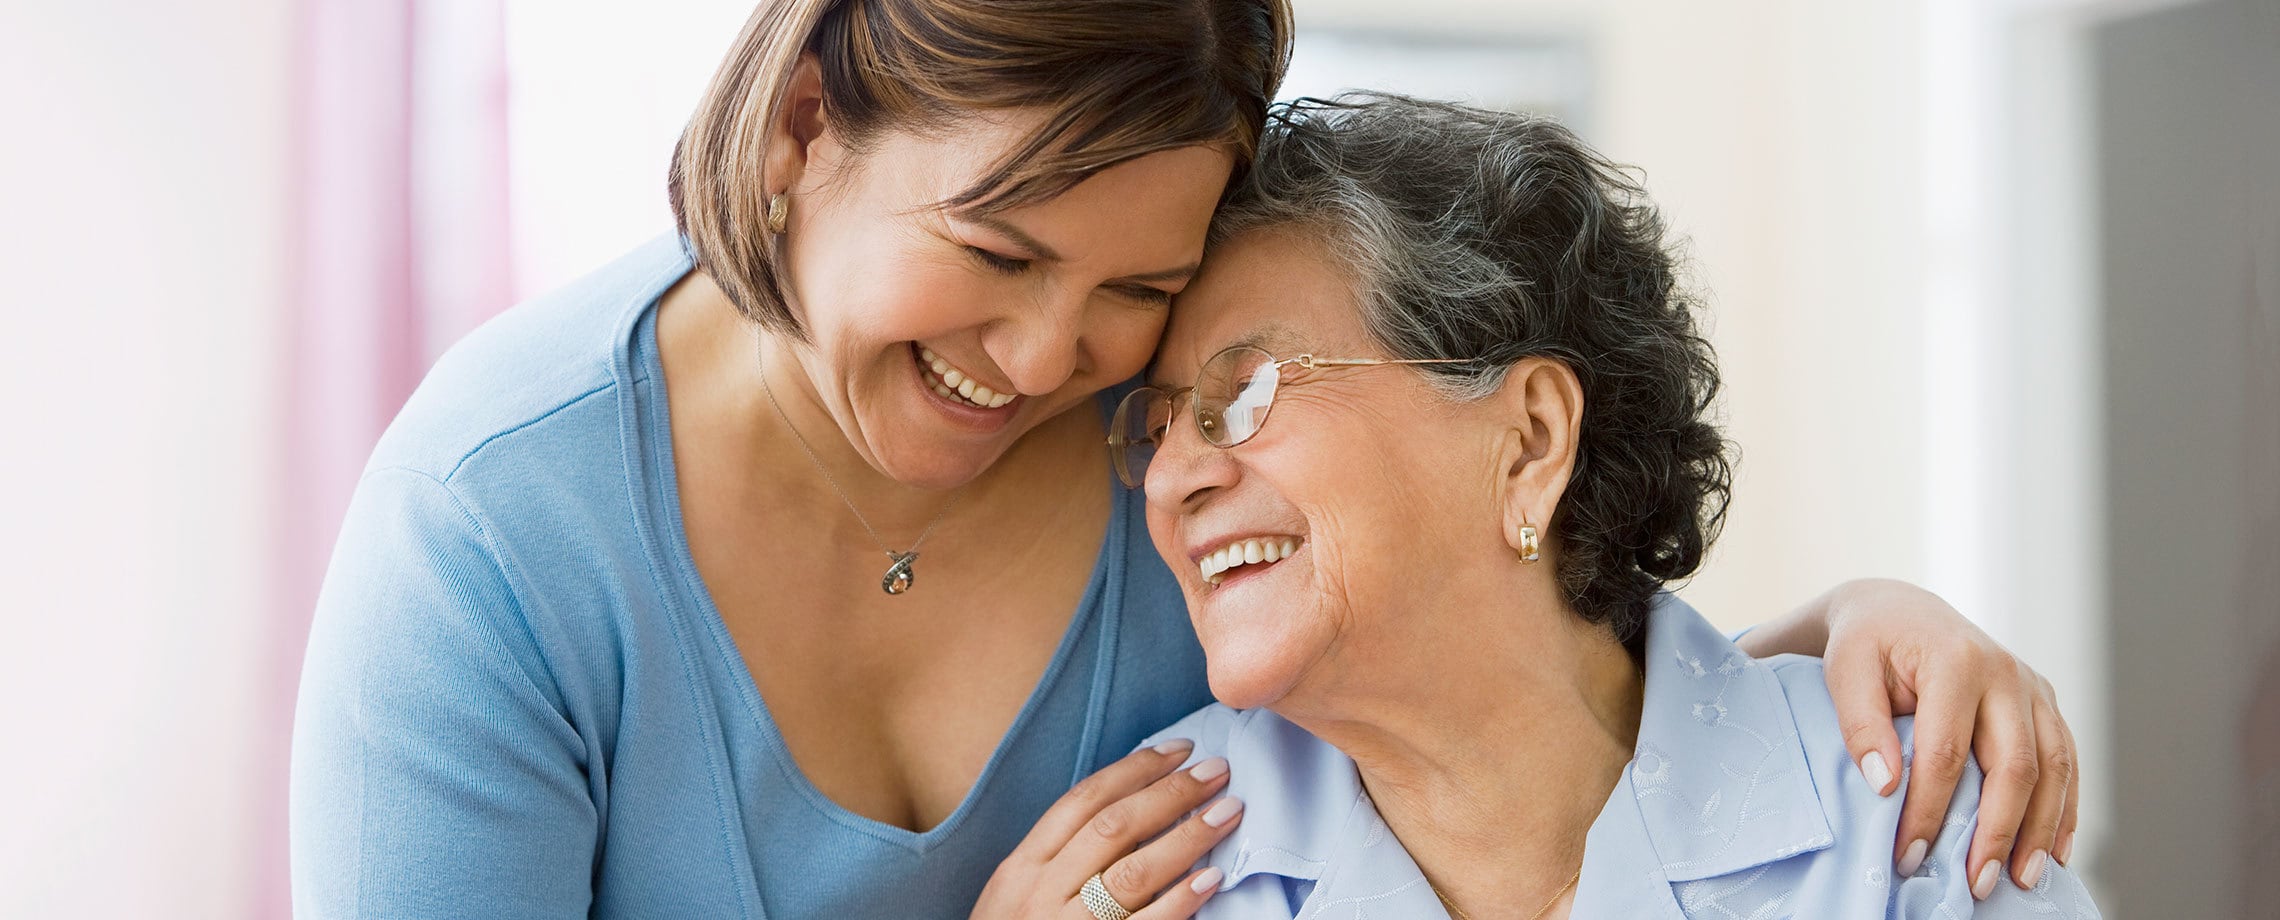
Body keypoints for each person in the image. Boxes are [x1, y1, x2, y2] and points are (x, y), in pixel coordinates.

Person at [288, 3, 2081, 918]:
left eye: (1141, 300)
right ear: (807, 125)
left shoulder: (1175, 480)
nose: (1053, 364)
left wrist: (1848, 633)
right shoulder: (496, 538)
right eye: (995, 257)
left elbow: (1500, 665)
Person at [1122, 95, 2098, 919]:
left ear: (1531, 439)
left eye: (1243, 392)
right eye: (1155, 429)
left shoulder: (1915, 827)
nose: (1170, 479)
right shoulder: (1143, 869)